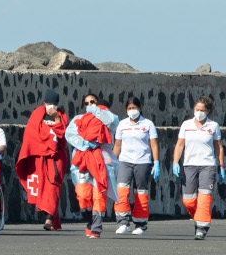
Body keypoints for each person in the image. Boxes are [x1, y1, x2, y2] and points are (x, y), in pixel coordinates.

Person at [171, 95, 225, 240]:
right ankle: (199, 217)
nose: (199, 112)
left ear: (207, 111)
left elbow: (218, 147)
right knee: (188, 200)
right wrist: (175, 162)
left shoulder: (213, 126)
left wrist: (221, 166)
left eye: (202, 110)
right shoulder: (186, 125)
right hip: (189, 165)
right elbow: (180, 144)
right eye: (197, 109)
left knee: (204, 197)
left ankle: (201, 228)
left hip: (207, 165)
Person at [65, 92, 118, 238]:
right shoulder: (79, 119)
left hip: (102, 158)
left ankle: (96, 227)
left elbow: (113, 121)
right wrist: (84, 143)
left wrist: (98, 112)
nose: (90, 105)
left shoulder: (108, 117)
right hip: (82, 159)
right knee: (82, 195)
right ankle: (89, 220)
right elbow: (70, 135)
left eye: (92, 102)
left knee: (99, 193)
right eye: (87, 103)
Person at [15, 89, 69, 231]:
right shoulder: (37, 114)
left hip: (56, 157)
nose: (52, 106)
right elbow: (31, 134)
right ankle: (53, 219)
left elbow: (63, 136)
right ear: (44, 103)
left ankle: (49, 219)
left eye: (55, 104)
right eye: (49, 103)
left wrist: (56, 118)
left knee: (53, 186)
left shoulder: (62, 115)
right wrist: (48, 140)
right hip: (39, 156)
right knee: (43, 188)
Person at [112, 96, 161, 235]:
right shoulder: (122, 124)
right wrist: (111, 161)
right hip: (125, 161)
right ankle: (123, 222)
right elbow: (117, 145)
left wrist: (156, 162)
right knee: (121, 191)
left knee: (141, 194)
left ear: (140, 108)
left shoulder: (148, 124)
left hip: (143, 161)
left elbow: (154, 145)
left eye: (134, 108)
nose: (132, 111)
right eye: (129, 108)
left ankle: (140, 224)